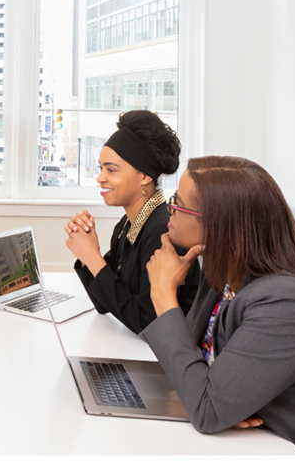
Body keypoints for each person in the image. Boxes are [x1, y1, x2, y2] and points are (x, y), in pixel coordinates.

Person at [144, 156, 295, 455]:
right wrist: (219, 400)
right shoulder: (221, 270)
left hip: (288, 451)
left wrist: (163, 295)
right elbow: (195, 367)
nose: (169, 209)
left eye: (178, 203)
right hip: (237, 442)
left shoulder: (290, 303)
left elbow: (206, 409)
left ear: (219, 224)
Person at [65, 110, 201, 334]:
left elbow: (148, 324)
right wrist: (88, 254)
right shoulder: (128, 224)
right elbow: (105, 303)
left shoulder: (163, 231)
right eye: (100, 168)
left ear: (145, 176)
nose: (100, 178)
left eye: (111, 170)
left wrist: (92, 257)